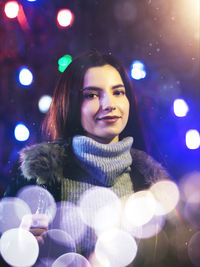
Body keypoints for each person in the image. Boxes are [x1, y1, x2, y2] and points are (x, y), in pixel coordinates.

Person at [3, 50, 171, 265]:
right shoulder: (36, 177)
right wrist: (17, 245)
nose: (109, 104)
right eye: (92, 95)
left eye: (118, 92)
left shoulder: (153, 184)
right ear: (71, 104)